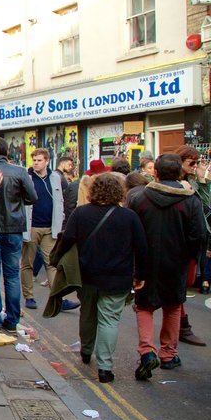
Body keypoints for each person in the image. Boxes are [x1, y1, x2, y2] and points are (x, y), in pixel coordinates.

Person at [55, 172, 147, 384]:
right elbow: (141, 248)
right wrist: (140, 275)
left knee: (87, 313)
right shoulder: (129, 217)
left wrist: (58, 262)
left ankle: (86, 350)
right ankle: (105, 367)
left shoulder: (81, 214)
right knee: (109, 320)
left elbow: (67, 240)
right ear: (119, 192)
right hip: (118, 278)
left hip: (86, 275)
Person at [127, 154, 206, 380]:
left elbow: (130, 230)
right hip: (177, 261)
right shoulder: (191, 200)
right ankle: (169, 355)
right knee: (173, 306)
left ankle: (146, 351)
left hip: (144, 261)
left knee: (144, 307)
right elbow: (198, 235)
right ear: (179, 173)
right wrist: (191, 258)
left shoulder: (139, 198)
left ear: (156, 173)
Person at [0, 137, 37, 334]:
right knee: (12, 276)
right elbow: (33, 197)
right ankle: (12, 319)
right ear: (7, 152)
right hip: (14, 228)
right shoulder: (19, 171)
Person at [21, 148, 78, 311]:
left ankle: (58, 299)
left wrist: (60, 224)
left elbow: (61, 201)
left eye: (39, 160)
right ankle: (29, 296)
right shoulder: (27, 177)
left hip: (50, 227)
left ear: (47, 161)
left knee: (52, 263)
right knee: (27, 264)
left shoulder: (55, 178)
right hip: (31, 226)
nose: (36, 163)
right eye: (34, 160)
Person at [177, 145, 211, 338]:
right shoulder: (176, 183)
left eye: (197, 162)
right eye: (192, 162)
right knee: (182, 284)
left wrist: (202, 179)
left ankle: (181, 324)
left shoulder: (193, 182)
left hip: (198, 239)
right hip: (183, 240)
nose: (195, 165)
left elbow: (206, 206)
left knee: (187, 281)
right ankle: (181, 325)